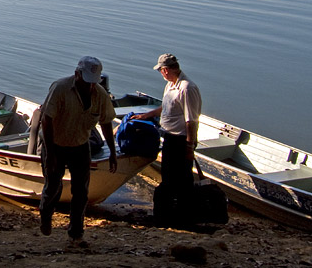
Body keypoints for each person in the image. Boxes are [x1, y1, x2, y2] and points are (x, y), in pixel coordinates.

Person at [39, 56, 118, 245]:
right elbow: (46, 120)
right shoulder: (60, 88)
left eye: (93, 83)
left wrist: (113, 152)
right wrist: (50, 154)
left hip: (80, 146)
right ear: (77, 74)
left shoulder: (99, 94)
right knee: (53, 187)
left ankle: (76, 232)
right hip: (55, 144)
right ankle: (45, 215)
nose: (89, 86)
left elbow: (106, 122)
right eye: (86, 81)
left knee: (81, 192)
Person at [133, 53, 202, 215]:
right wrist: (146, 115)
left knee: (182, 178)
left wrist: (190, 146)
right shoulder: (170, 86)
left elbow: (191, 120)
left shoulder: (187, 88)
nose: (161, 74)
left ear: (166, 70)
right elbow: (165, 107)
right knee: (168, 175)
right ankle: (170, 211)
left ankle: (184, 212)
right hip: (170, 137)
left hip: (182, 140)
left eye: (161, 71)